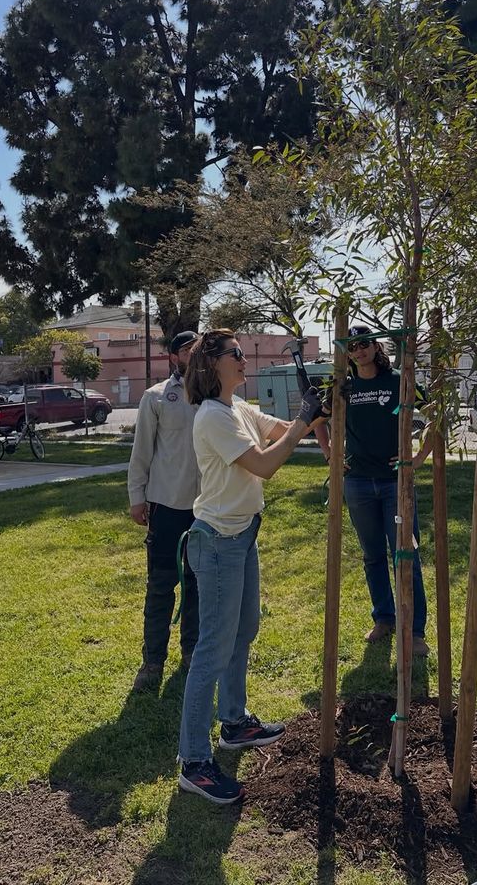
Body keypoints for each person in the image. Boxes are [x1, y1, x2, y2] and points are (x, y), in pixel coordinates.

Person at [177, 328, 324, 804]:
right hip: (217, 542)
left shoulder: (238, 409)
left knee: (244, 632)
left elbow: (279, 431)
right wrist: (305, 420)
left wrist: (314, 414)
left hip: (242, 535)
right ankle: (194, 761)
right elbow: (263, 465)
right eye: (235, 354)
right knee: (212, 650)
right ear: (211, 364)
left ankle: (235, 723)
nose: (244, 358)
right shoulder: (212, 417)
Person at [316, 325, 432, 656]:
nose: (359, 351)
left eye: (364, 344)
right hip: (357, 483)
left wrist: (417, 457)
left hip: (395, 482)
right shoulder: (344, 387)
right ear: (346, 353)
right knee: (372, 556)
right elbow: (318, 420)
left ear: (375, 346)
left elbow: (436, 414)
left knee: (405, 556)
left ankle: (416, 631)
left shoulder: (399, 380)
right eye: (352, 347)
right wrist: (330, 455)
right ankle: (384, 618)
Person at [128, 330, 201, 691]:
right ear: (174, 357)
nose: (194, 353)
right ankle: (152, 662)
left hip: (205, 509)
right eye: (188, 349)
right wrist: (136, 496)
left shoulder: (214, 396)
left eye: (199, 347)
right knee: (160, 586)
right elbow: (141, 452)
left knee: (197, 584)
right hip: (165, 505)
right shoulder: (156, 397)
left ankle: (192, 653)